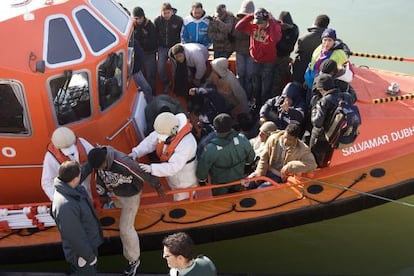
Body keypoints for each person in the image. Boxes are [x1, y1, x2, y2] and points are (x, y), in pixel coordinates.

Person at [87, 146, 163, 276]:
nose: (100, 169)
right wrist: (103, 194)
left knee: (125, 229)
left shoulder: (123, 162)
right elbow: (98, 176)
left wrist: (157, 185)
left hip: (130, 195)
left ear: (106, 159)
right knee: (116, 203)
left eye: (101, 166)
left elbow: (141, 172)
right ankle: (113, 202)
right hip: (117, 191)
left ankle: (134, 260)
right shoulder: (99, 163)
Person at [129, 112, 198, 201]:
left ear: (174, 130)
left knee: (183, 196)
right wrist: (136, 152)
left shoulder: (186, 143)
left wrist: (151, 169)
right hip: (169, 172)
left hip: (184, 176)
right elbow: (150, 141)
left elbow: (173, 167)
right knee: (173, 186)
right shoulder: (166, 127)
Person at [52, 161, 103, 275]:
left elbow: (81, 172)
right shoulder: (66, 205)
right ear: (75, 179)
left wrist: (92, 161)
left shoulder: (67, 185)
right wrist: (89, 257)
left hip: (88, 247)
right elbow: (74, 236)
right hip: (82, 255)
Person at [235, 7, 282, 112]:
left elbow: (275, 38)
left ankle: (264, 107)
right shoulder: (253, 25)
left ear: (266, 21)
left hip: (268, 62)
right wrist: (251, 16)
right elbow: (238, 27)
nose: (259, 25)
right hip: (255, 60)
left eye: (261, 23)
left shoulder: (275, 26)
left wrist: (271, 21)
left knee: (266, 86)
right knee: (256, 84)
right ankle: (257, 104)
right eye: (257, 22)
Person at [196, 113, 255, 196]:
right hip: (239, 180)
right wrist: (246, 167)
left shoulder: (210, 148)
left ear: (215, 128)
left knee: (221, 202)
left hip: (220, 186)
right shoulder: (242, 139)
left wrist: (202, 181)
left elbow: (203, 169)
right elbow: (251, 157)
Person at [310, 73, 354, 168]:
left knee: (315, 159)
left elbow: (317, 123)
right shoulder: (347, 96)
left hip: (322, 137)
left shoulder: (324, 101)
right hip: (337, 135)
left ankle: (316, 172)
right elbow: (354, 97)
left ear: (322, 89)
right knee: (328, 154)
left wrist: (314, 108)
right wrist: (349, 87)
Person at [41, 127, 94, 202]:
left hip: (88, 191)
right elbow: (47, 182)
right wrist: (59, 199)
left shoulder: (84, 145)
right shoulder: (50, 158)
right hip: (71, 197)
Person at [304, 27, 349, 103]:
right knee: (309, 101)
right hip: (312, 82)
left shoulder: (339, 54)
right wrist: (306, 80)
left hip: (325, 86)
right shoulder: (319, 49)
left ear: (334, 41)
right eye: (325, 40)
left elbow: (344, 72)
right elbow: (312, 66)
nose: (326, 43)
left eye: (329, 40)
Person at [291, 14, 330, 84]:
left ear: (315, 23)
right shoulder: (329, 41)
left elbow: (297, 51)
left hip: (301, 69)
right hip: (318, 73)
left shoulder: (303, 38)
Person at [154, 3, 183, 94]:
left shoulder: (178, 20)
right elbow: (154, 34)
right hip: (162, 47)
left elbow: (182, 34)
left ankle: (176, 86)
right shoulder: (157, 21)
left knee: (175, 69)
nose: (166, 15)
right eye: (164, 13)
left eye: (168, 12)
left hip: (174, 47)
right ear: (161, 12)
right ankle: (167, 83)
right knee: (160, 68)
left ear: (171, 11)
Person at [272, 11, 299, 97]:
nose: (285, 27)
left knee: (277, 80)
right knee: (269, 78)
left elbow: (289, 46)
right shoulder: (275, 27)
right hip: (272, 56)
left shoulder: (294, 30)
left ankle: (274, 98)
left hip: (284, 57)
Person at [232, 0, 255, 101]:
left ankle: (248, 97)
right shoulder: (237, 21)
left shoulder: (255, 22)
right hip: (240, 51)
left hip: (250, 53)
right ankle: (240, 96)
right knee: (240, 75)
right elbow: (235, 33)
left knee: (249, 76)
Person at [133, 7, 157, 95]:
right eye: (136, 18)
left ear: (143, 16)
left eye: (140, 18)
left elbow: (153, 41)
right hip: (137, 55)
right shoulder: (132, 26)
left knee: (151, 74)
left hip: (149, 53)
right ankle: (142, 93)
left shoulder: (150, 26)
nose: (139, 20)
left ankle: (153, 92)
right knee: (141, 73)